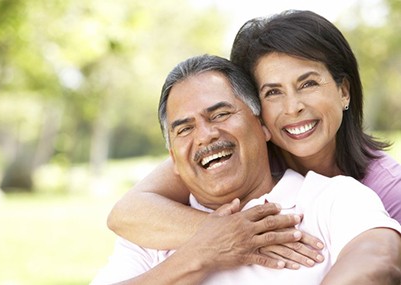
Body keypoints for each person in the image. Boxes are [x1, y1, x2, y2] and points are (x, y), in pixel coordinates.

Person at [106, 10, 401, 268]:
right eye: (272, 92)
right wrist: (234, 234)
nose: (293, 106)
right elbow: (127, 213)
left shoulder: (385, 188)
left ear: (344, 91)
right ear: (254, 111)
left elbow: (381, 262)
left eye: (308, 83)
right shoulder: (237, 153)